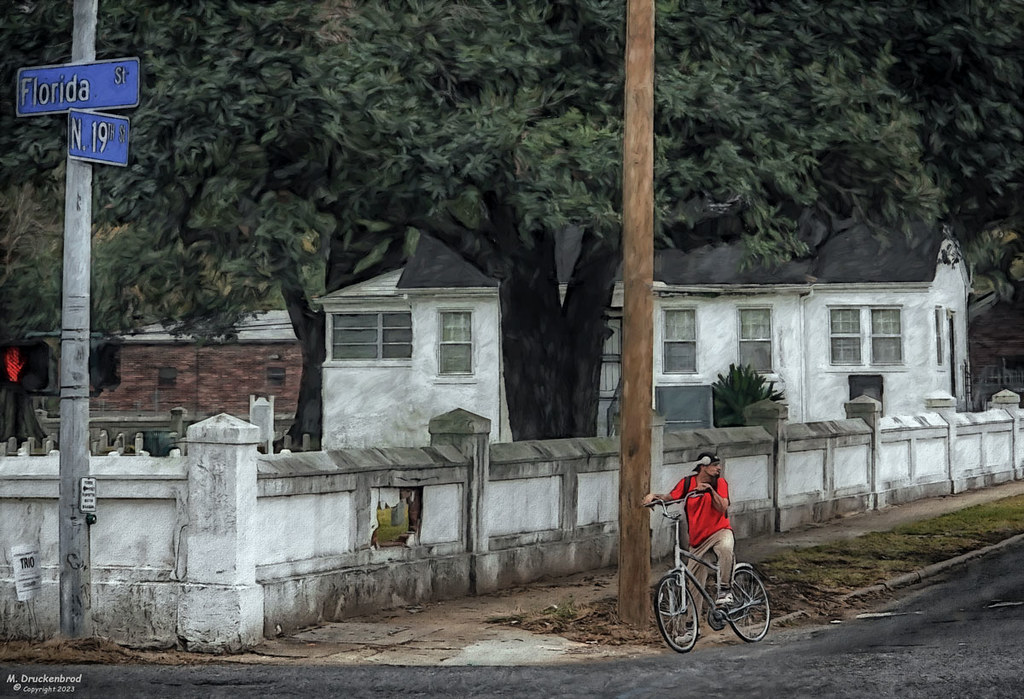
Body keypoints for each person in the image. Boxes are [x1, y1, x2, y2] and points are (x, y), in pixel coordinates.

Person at [643, 451, 734, 644]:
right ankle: (692, 628)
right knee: (694, 584)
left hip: (720, 532)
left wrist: (710, 491)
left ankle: (725, 591)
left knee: (726, 548)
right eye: (715, 465)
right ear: (703, 466)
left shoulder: (720, 484)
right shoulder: (687, 484)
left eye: (719, 465)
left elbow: (723, 506)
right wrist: (653, 496)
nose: (719, 468)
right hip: (697, 542)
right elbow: (670, 497)